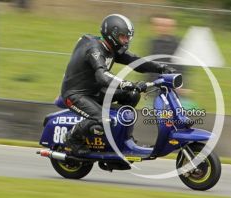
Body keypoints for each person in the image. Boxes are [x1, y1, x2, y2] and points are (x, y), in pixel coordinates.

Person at [60, 14, 175, 155]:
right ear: (111, 35)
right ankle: (72, 139)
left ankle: (120, 137)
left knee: (132, 95)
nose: (126, 41)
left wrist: (161, 67)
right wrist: (127, 83)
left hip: (95, 91)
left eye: (128, 37)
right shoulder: (94, 49)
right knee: (104, 119)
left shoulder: (112, 48)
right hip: (76, 94)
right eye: (123, 36)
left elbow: (136, 61)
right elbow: (102, 76)